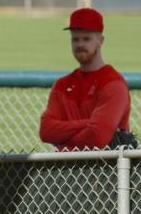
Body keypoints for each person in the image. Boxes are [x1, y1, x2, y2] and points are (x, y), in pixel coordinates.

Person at [40, 8, 130, 151]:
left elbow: (98, 137)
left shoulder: (113, 83)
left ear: (100, 41)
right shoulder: (62, 85)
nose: (80, 44)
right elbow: (46, 131)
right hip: (65, 170)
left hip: (106, 169)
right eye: (75, 39)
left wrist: (63, 148)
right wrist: (88, 123)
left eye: (86, 38)